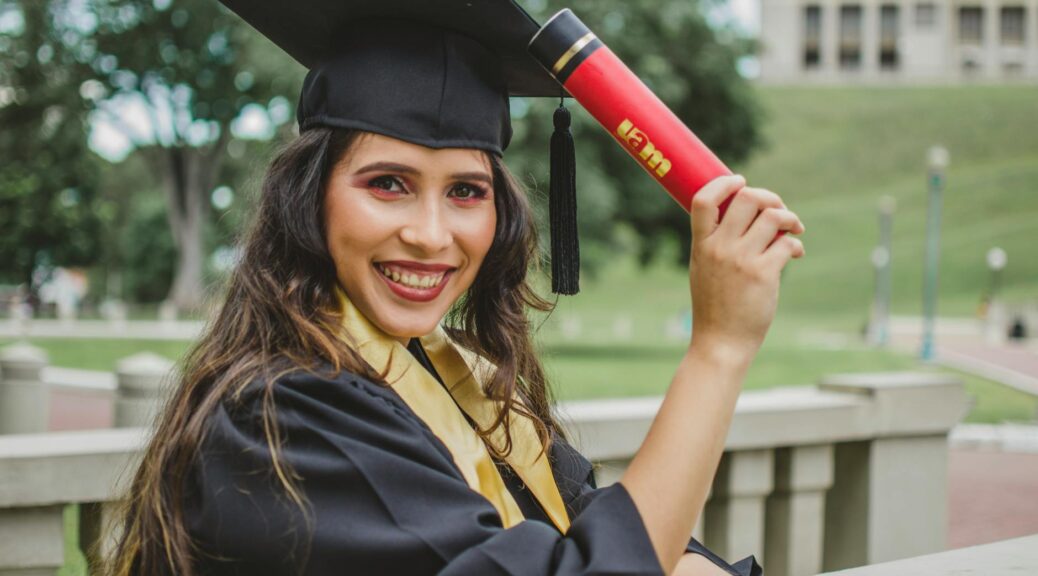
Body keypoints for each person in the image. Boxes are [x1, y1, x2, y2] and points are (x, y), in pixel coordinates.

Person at [107, 1, 805, 575]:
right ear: (309, 198)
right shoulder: (283, 420)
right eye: (388, 184)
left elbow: (602, 526)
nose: (432, 235)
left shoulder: (450, 377)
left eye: (467, 191)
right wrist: (719, 346)